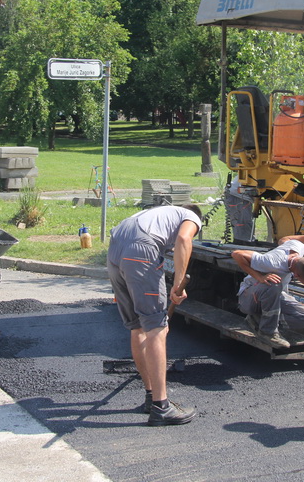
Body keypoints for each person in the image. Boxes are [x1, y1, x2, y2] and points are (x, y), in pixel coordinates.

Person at [107, 204, 202, 426]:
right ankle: (161, 407)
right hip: (140, 250)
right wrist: (178, 283)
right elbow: (184, 240)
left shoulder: (156, 214)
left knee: (138, 327)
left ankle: (151, 396)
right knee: (156, 328)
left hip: (115, 248)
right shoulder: (191, 216)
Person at [231, 231, 304, 349]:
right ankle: (267, 332)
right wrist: (260, 277)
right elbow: (237, 254)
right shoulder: (271, 262)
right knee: (274, 285)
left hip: (272, 296)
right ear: (296, 275)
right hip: (248, 298)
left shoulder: (298, 248)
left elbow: (284, 239)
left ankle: (257, 320)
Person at [224, 175, 255, 243]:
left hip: (237, 194)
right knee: (242, 223)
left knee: (241, 222)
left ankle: (243, 241)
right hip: (238, 195)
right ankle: (243, 242)